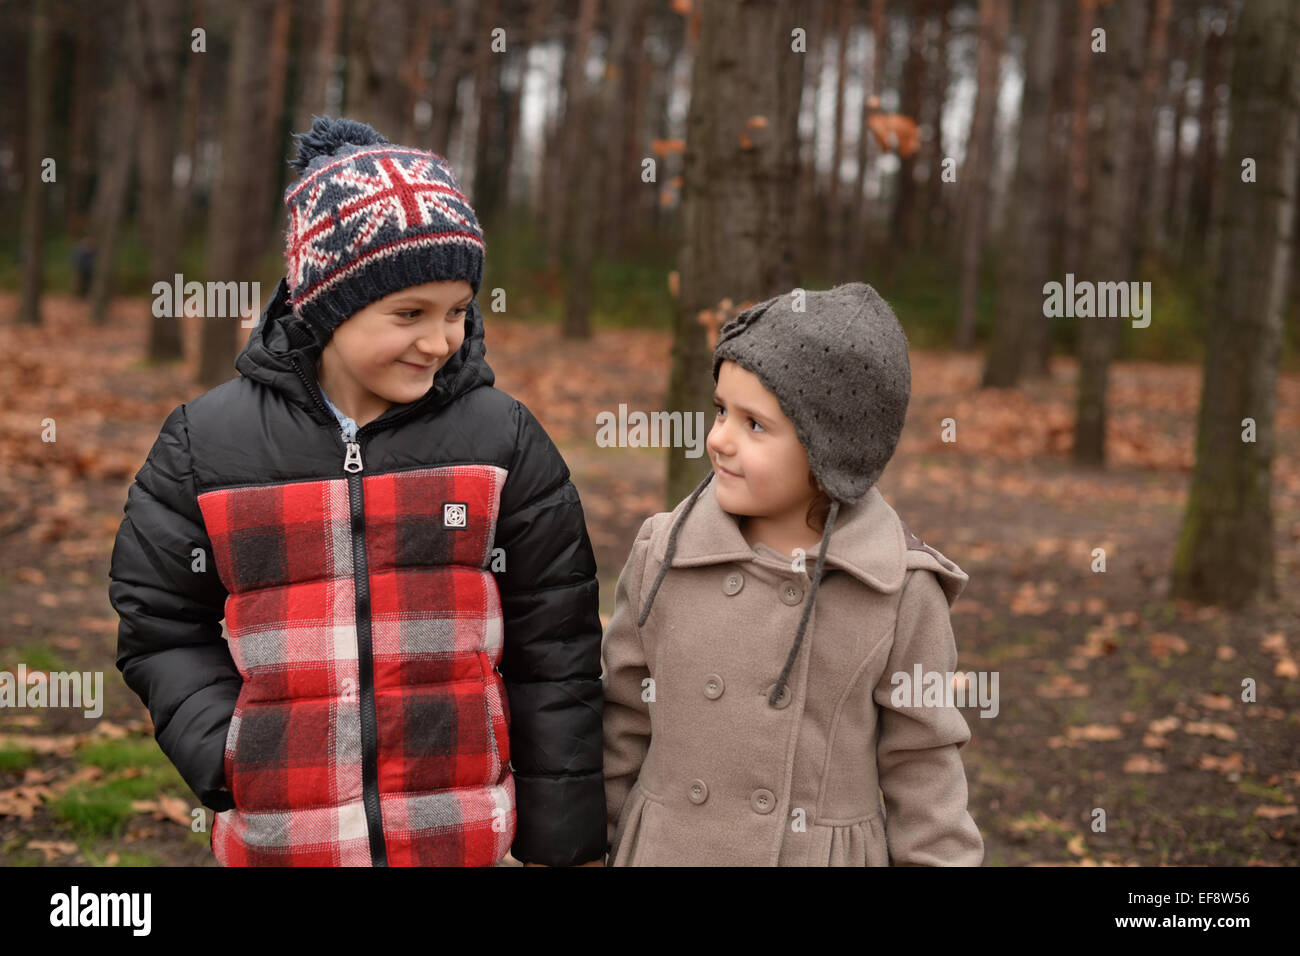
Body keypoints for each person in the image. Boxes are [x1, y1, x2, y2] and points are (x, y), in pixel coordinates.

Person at [109, 116, 606, 867]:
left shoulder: (500, 441)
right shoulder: (206, 447)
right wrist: (230, 756)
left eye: (457, 312)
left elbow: (557, 646)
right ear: (326, 304)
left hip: (461, 839)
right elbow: (161, 623)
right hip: (284, 841)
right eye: (408, 314)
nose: (439, 342)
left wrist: (560, 834)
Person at [601, 283, 985, 866]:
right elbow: (621, 721)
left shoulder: (899, 589)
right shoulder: (664, 554)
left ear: (829, 449)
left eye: (755, 425)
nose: (719, 440)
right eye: (721, 411)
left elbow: (923, 764)